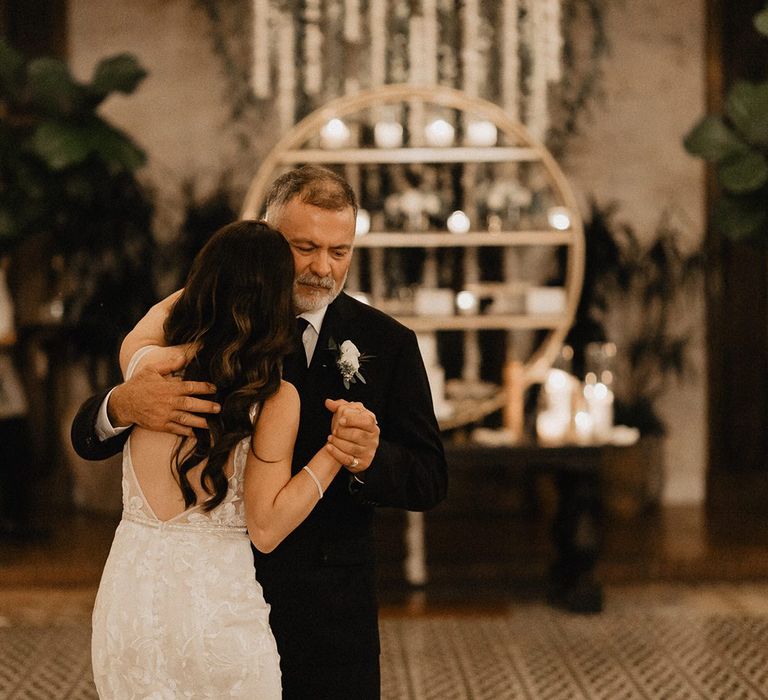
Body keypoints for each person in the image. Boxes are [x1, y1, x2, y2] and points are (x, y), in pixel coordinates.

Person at [73, 165, 448, 699]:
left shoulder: (387, 343)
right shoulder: (193, 320)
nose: (323, 268)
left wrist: (366, 456)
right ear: (268, 239)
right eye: (305, 247)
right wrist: (121, 403)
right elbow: (90, 431)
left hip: (328, 614)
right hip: (210, 596)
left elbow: (429, 478)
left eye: (339, 252)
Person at [91, 220, 352, 697]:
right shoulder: (273, 398)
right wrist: (334, 453)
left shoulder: (148, 372)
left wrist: (221, 282)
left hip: (128, 612)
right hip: (216, 621)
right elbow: (267, 529)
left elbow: (143, 328)